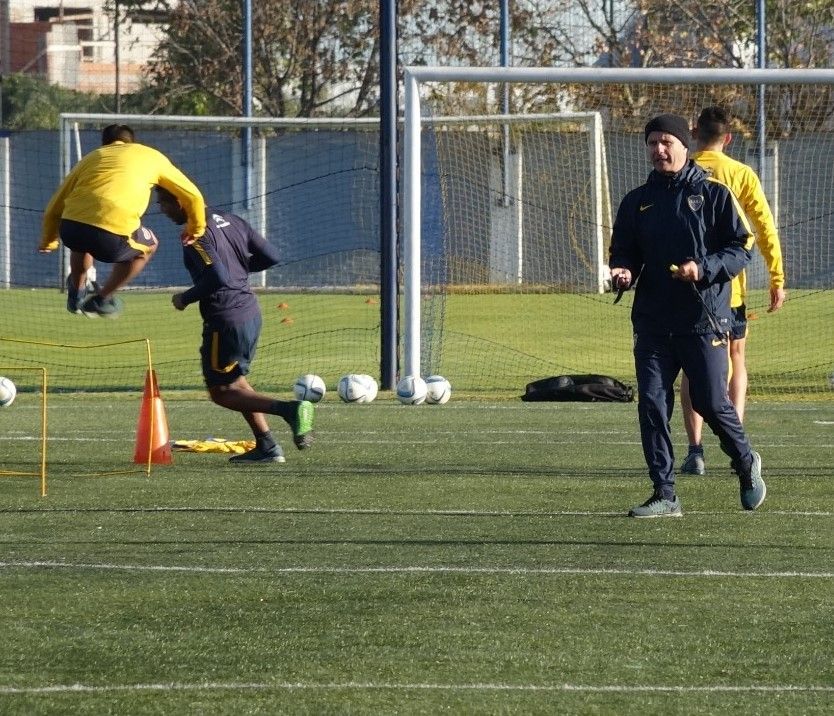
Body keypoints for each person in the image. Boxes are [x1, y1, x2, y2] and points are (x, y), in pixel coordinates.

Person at [609, 113, 766, 517]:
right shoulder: (636, 201)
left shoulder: (713, 195)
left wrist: (703, 268)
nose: (659, 150)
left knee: (712, 402)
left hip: (703, 319)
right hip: (653, 323)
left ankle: (746, 461)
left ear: (684, 145)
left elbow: (741, 248)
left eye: (666, 142)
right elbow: (624, 250)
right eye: (652, 143)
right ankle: (665, 494)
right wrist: (623, 271)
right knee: (651, 404)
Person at [155, 185, 314, 464]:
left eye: (164, 203)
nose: (161, 210)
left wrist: (185, 298)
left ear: (181, 202)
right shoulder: (232, 220)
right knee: (236, 383)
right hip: (250, 313)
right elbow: (272, 256)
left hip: (225, 319)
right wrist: (239, 268)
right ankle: (266, 445)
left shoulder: (195, 234)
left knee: (223, 393)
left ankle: (290, 410)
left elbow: (218, 277)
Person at [679, 106, 786, 476]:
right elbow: (764, 228)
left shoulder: (680, 169)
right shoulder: (740, 174)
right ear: (728, 138)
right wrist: (777, 276)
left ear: (694, 133)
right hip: (730, 290)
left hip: (687, 286)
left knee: (692, 369)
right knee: (736, 358)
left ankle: (695, 450)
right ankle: (734, 443)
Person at [40, 124, 206, 318]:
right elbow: (193, 196)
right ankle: (102, 299)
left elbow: (54, 205)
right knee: (150, 244)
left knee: (83, 237)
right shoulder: (151, 156)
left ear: (105, 144)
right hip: (111, 238)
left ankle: (76, 293)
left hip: (70, 229)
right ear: (132, 142)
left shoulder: (91, 158)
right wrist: (195, 228)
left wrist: (49, 240)